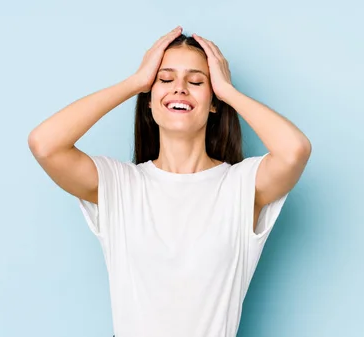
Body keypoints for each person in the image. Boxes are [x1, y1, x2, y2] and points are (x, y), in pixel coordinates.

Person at [28, 26, 311, 337]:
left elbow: (294, 151)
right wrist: (135, 82)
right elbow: (45, 144)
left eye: (196, 81)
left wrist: (228, 90)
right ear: (149, 99)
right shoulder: (120, 184)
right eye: (164, 79)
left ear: (213, 100)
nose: (179, 88)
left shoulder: (241, 186)